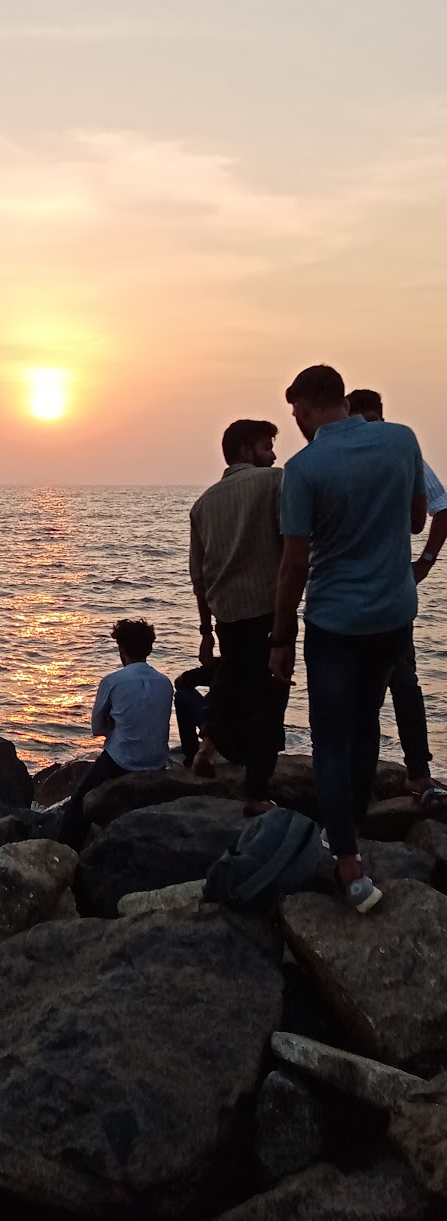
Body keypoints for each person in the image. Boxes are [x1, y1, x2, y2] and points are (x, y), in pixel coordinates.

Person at [271, 364, 427, 913]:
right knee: (365, 725)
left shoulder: (304, 468)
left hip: (335, 623)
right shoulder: (401, 440)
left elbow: (293, 565)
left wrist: (280, 637)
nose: (295, 423)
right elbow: (416, 521)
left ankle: (347, 863)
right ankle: (353, 824)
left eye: (296, 413)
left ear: (311, 407)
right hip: (392, 616)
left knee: (331, 739)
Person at [346, 387, 447, 809]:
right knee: (356, 689)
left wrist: (424, 561)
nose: (377, 426)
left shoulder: (404, 456)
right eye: (368, 419)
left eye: (380, 418)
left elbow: (440, 508)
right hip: (349, 591)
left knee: (402, 681)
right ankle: (357, 784)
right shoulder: (338, 458)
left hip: (390, 588)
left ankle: (417, 773)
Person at [189, 418, 288, 815]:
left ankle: (207, 747)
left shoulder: (203, 504)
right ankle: (256, 792)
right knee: (270, 693)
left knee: (230, 679)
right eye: (267, 446)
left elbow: (199, 576)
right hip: (267, 608)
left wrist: (205, 631)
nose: (274, 455)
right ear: (247, 449)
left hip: (225, 612)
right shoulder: (274, 482)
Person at [58, 619, 172, 850]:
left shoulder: (112, 681)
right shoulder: (165, 682)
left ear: (121, 649)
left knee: (79, 801)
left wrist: (114, 724)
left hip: (122, 760)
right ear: (149, 648)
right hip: (157, 760)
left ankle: (64, 850)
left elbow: (97, 729)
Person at [174, 657, 222, 766]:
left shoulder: (221, 667)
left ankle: (192, 756)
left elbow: (180, 682)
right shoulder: (259, 665)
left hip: (221, 730)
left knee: (182, 695)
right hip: (247, 733)